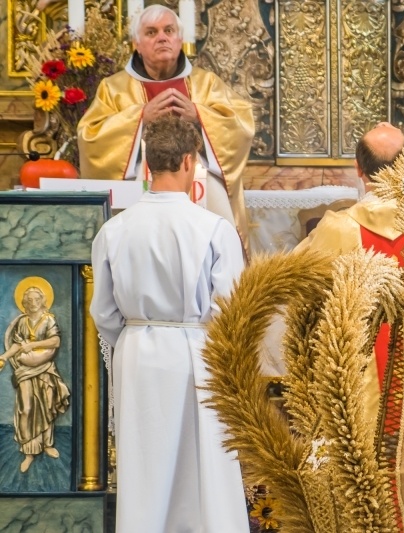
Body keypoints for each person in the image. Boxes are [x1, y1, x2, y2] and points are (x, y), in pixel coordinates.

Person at [90, 115, 248, 533]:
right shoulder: (214, 228)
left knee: (144, 473)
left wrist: (136, 337)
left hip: (136, 354)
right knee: (205, 472)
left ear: (147, 164)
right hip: (198, 353)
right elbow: (229, 311)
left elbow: (104, 313)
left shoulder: (113, 230)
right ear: (188, 161)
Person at [294, 121, 404, 429]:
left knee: (370, 441)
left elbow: (299, 276)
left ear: (358, 169)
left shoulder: (338, 227)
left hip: (365, 360)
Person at [77, 4, 254, 256]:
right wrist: (139, 118)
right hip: (139, 197)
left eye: (168, 30)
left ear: (180, 40)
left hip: (198, 186)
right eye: (151, 32)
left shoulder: (207, 83)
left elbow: (241, 125)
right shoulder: (113, 88)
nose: (161, 37)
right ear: (136, 44)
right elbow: (90, 136)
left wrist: (200, 116)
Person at [0, 284, 70, 473]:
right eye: (29, 300)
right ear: (23, 303)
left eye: (36, 299)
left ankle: (47, 444)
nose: (33, 303)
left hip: (45, 368)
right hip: (25, 370)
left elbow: (55, 341)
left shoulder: (48, 320)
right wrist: (4, 357)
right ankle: (29, 452)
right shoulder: (22, 322)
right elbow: (16, 345)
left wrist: (32, 345)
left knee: (46, 406)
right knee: (27, 409)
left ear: (43, 301)